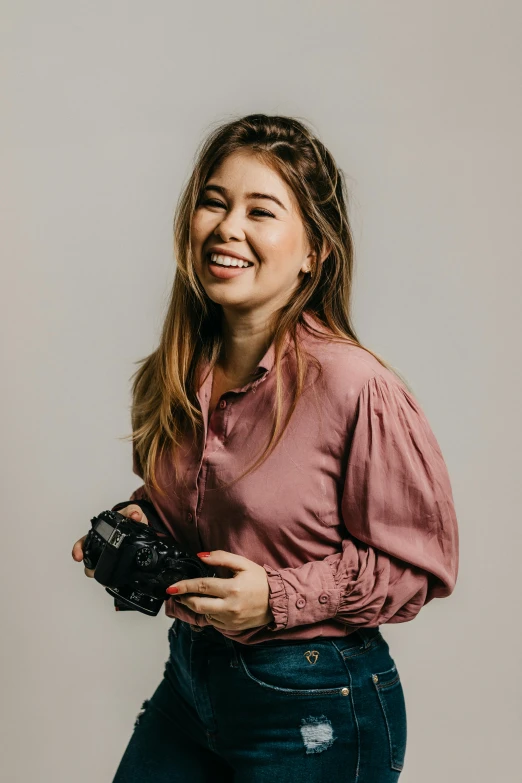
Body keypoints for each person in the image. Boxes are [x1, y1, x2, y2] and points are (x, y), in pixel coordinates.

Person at [71, 113, 459, 782]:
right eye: (214, 202)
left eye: (261, 210)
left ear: (315, 250)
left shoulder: (353, 385)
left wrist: (276, 597)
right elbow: (215, 511)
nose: (227, 227)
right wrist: (142, 526)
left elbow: (422, 564)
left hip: (313, 705)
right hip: (193, 682)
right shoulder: (171, 374)